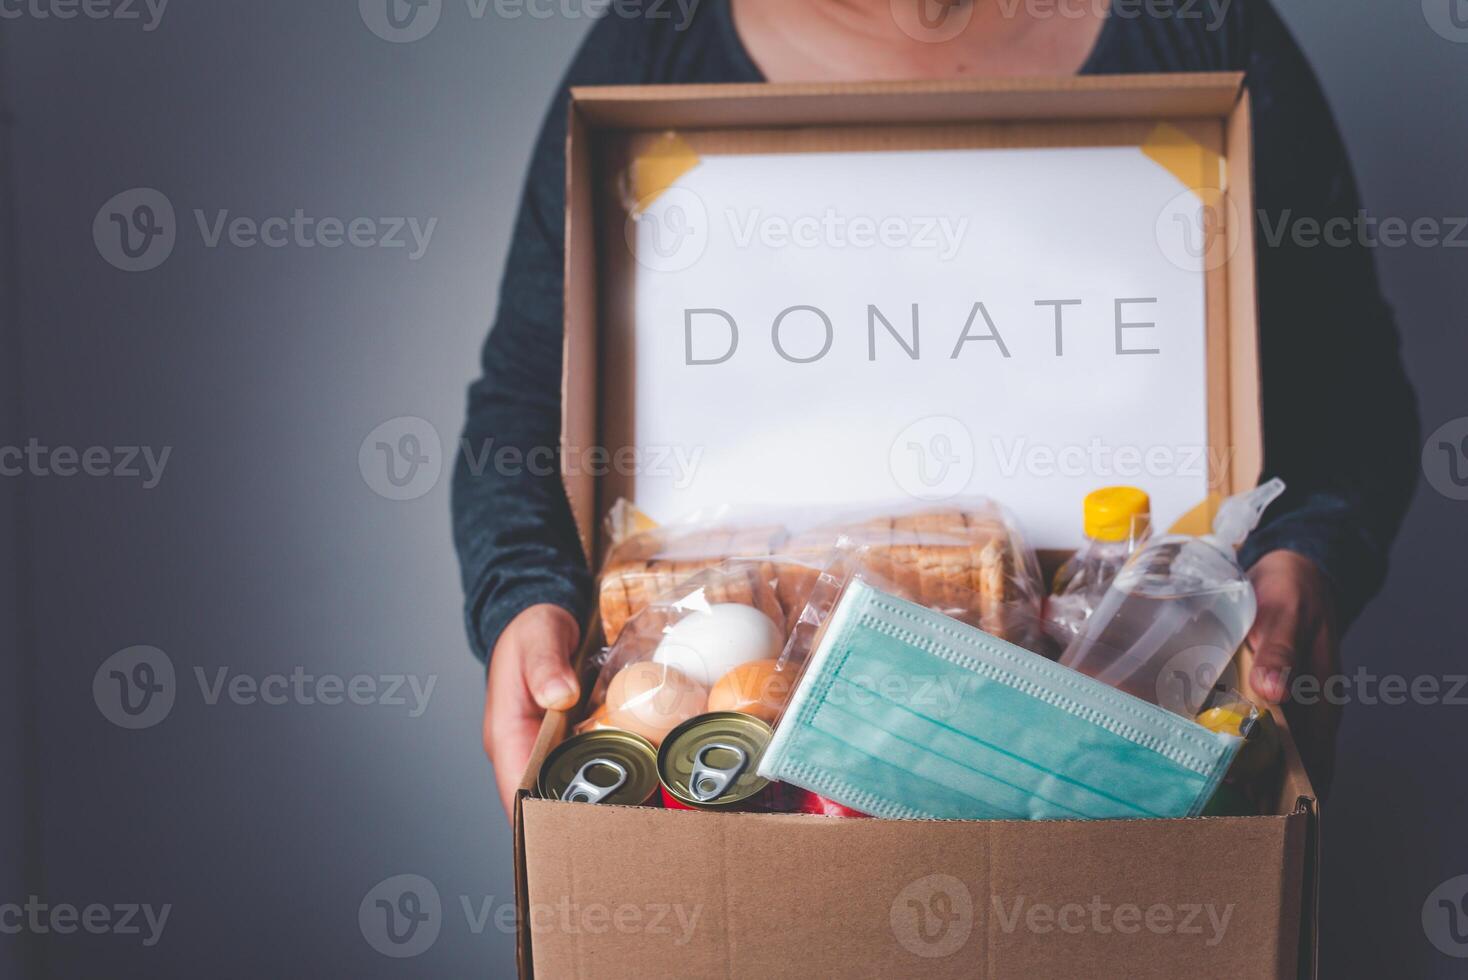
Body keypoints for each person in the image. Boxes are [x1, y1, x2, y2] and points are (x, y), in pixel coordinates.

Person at [453, 0, 1418, 816]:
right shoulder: (658, 39)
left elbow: (1354, 403)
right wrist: (525, 599)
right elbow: (524, 411)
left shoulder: (1198, 29)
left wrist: (1307, 556)